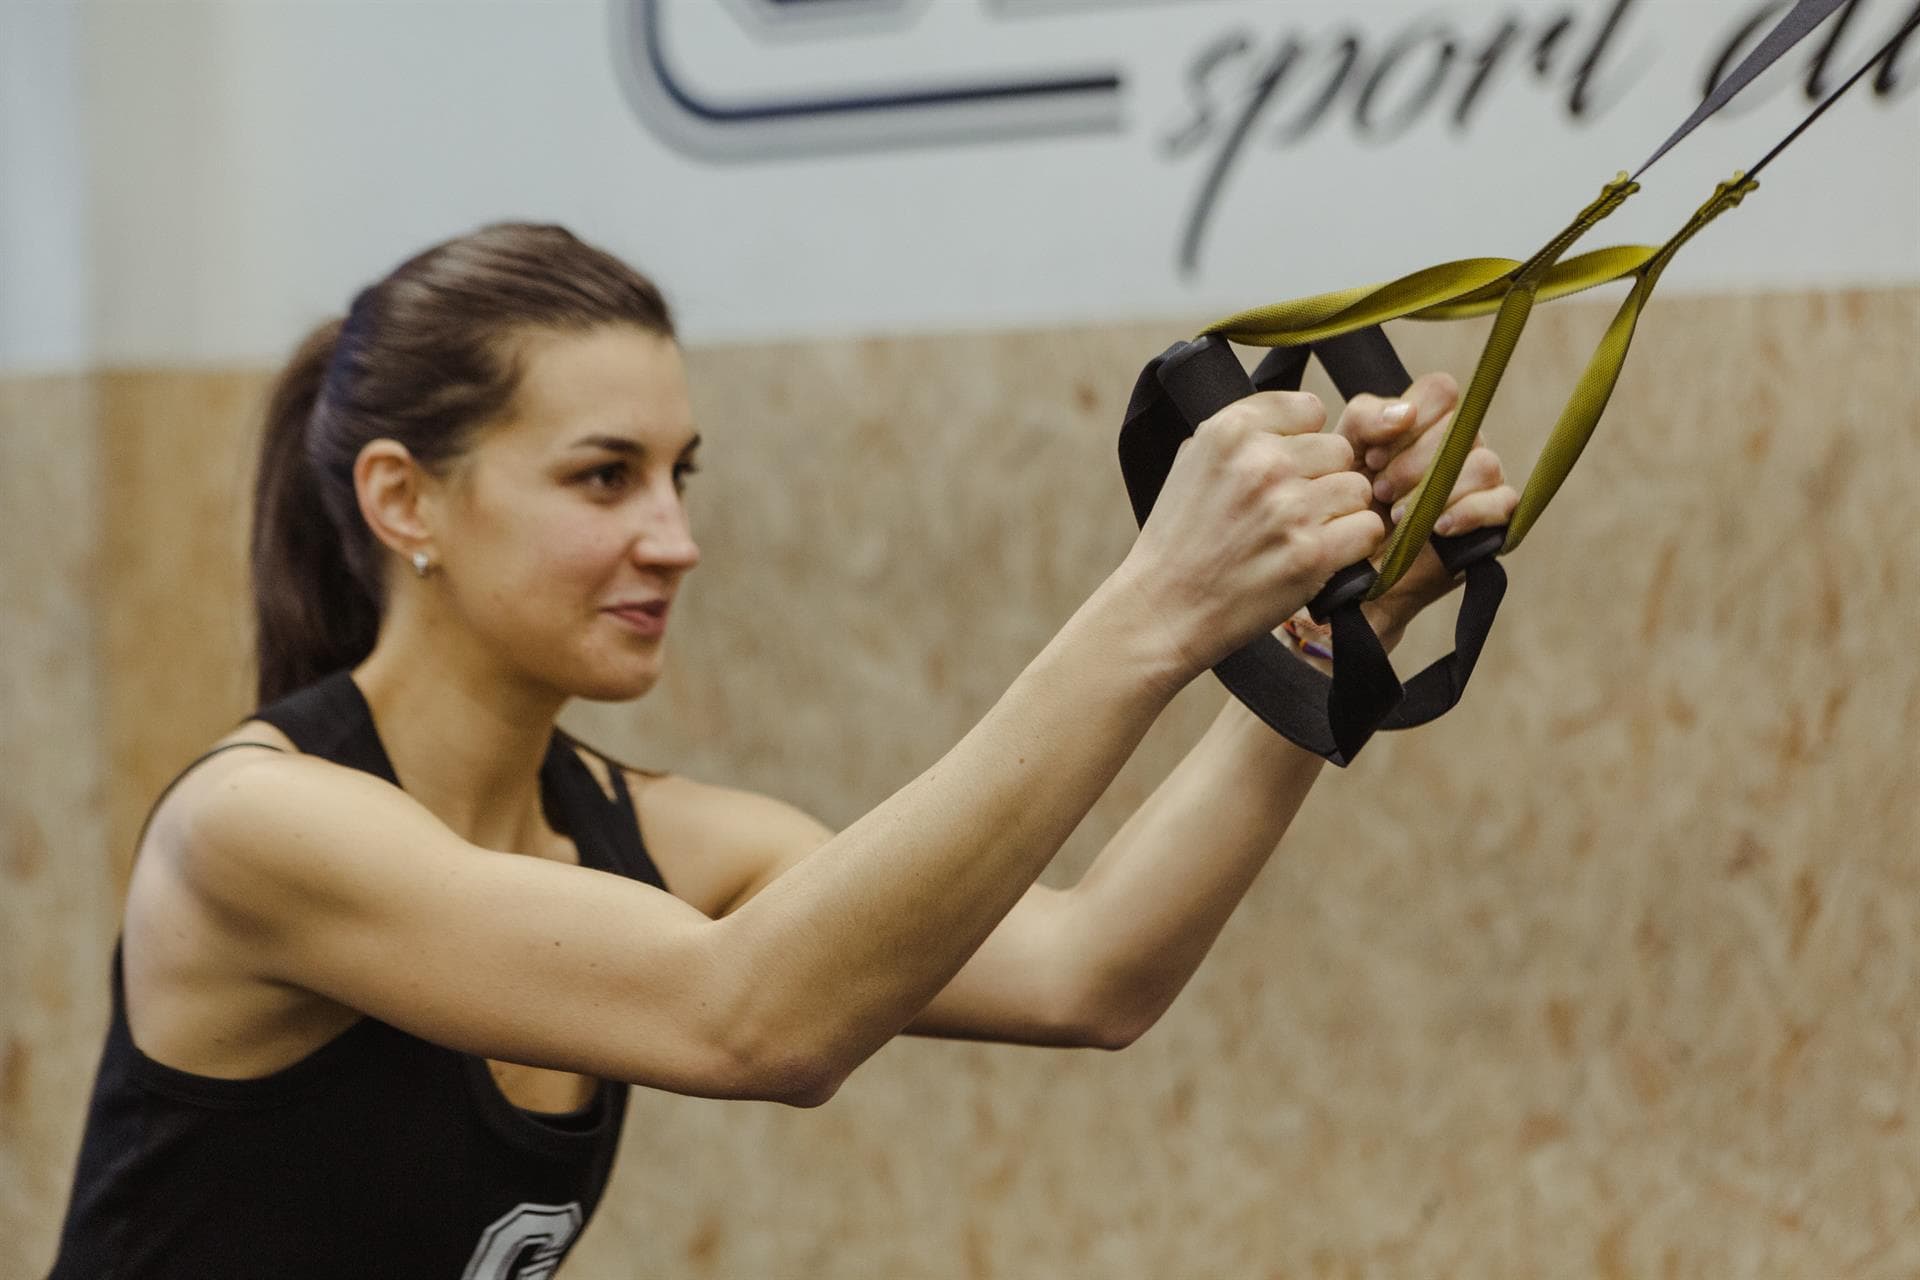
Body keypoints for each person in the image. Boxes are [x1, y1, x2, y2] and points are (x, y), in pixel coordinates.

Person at [45, 223, 1517, 1278]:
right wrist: (1159, 604)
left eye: (677, 477)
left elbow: (1094, 972)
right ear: (403, 501)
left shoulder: (666, 838)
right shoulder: (254, 833)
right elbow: (754, 1023)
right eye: (602, 478)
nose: (674, 540)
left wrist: (1346, 632)